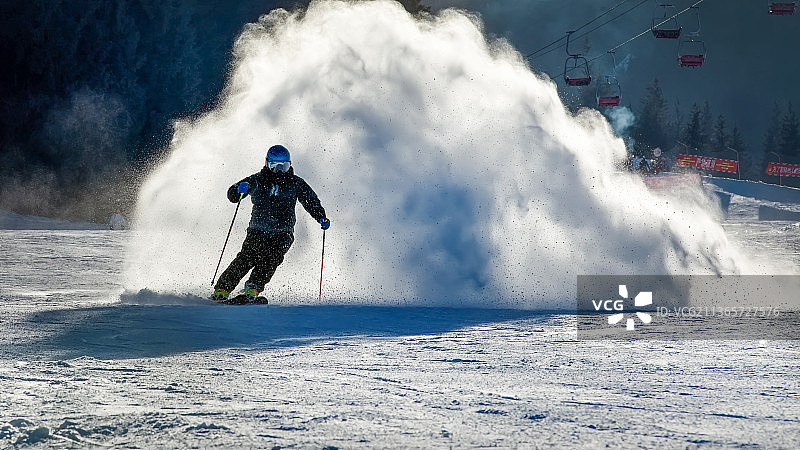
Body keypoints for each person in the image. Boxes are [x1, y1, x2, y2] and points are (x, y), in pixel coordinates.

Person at [211, 144, 330, 302]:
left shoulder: (296, 183)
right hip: (258, 229)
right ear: (267, 164)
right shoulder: (257, 180)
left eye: (284, 166)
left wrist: (321, 216)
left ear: (289, 165)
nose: (279, 171)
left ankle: (253, 287)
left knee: (272, 256)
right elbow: (232, 195)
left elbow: (311, 201)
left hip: (283, 231)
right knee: (248, 256)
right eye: (275, 166)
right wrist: (238, 189)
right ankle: (222, 289)